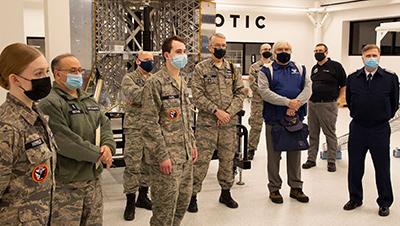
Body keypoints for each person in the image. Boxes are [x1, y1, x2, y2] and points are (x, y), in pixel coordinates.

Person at [38, 54, 116, 225]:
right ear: (57, 74)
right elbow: (65, 141)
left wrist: (108, 146)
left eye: (80, 70)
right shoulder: (50, 103)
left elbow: (104, 124)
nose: (78, 74)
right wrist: (98, 154)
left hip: (93, 180)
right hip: (67, 184)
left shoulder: (88, 99)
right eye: (73, 71)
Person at [141, 36, 198, 226]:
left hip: (185, 156)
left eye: (185, 52)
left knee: (182, 203)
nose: (183, 55)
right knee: (164, 211)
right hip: (167, 159)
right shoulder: (155, 83)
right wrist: (162, 155)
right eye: (179, 52)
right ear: (167, 55)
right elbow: (149, 122)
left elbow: (186, 118)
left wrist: (192, 145)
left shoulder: (182, 82)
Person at [0, 43, 56, 225]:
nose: (46, 78)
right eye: (38, 74)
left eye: (47, 72)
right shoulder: (7, 127)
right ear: (15, 80)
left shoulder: (35, 115)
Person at [188, 33, 245, 212]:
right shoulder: (201, 68)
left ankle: (226, 192)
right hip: (207, 124)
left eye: (223, 45)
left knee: (228, 159)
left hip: (229, 123)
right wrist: (216, 111)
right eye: (217, 45)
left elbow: (240, 92)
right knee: (201, 161)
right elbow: (196, 95)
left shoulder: (232, 69)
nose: (221, 48)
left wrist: (228, 112)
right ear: (210, 47)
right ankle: (193, 195)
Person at [343, 44, 399, 217]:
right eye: (368, 55)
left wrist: (382, 116)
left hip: (380, 129)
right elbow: (349, 100)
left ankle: (384, 202)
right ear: (362, 57)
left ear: (380, 56)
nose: (371, 58)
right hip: (358, 128)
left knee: (382, 167)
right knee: (355, 166)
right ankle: (355, 198)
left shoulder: (390, 78)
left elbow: (394, 103)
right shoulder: (353, 78)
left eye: (374, 55)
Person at [258, 41, 311, 204]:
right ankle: (274, 189)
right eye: (280, 49)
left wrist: (296, 104)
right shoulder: (266, 70)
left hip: (295, 119)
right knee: (274, 156)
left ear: (291, 51)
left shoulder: (300, 69)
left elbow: (308, 88)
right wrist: (287, 102)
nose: (284, 52)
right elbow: (264, 92)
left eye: (287, 49)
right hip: (274, 120)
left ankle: (296, 187)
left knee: (295, 154)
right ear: (274, 53)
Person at [302, 43, 346, 172]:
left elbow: (343, 85)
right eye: (316, 50)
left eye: (320, 50)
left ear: (326, 52)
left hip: (328, 104)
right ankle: (311, 159)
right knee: (313, 133)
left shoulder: (336, 66)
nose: (318, 53)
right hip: (313, 104)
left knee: (330, 133)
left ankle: (331, 161)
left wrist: (339, 100)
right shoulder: (315, 68)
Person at [121, 50, 154, 221]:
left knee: (147, 163)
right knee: (132, 165)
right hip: (134, 128)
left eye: (152, 59)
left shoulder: (154, 79)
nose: (150, 62)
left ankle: (142, 196)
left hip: (151, 128)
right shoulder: (129, 78)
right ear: (138, 61)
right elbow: (134, 94)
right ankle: (130, 201)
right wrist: (153, 96)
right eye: (146, 59)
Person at [247, 43, 272, 160]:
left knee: (273, 126)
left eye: (268, 49)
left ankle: (274, 150)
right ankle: (251, 149)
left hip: (273, 102)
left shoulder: (275, 66)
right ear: (260, 51)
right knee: (256, 126)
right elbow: (252, 84)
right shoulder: (254, 67)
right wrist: (266, 94)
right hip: (258, 102)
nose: (266, 51)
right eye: (264, 49)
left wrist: (272, 96)